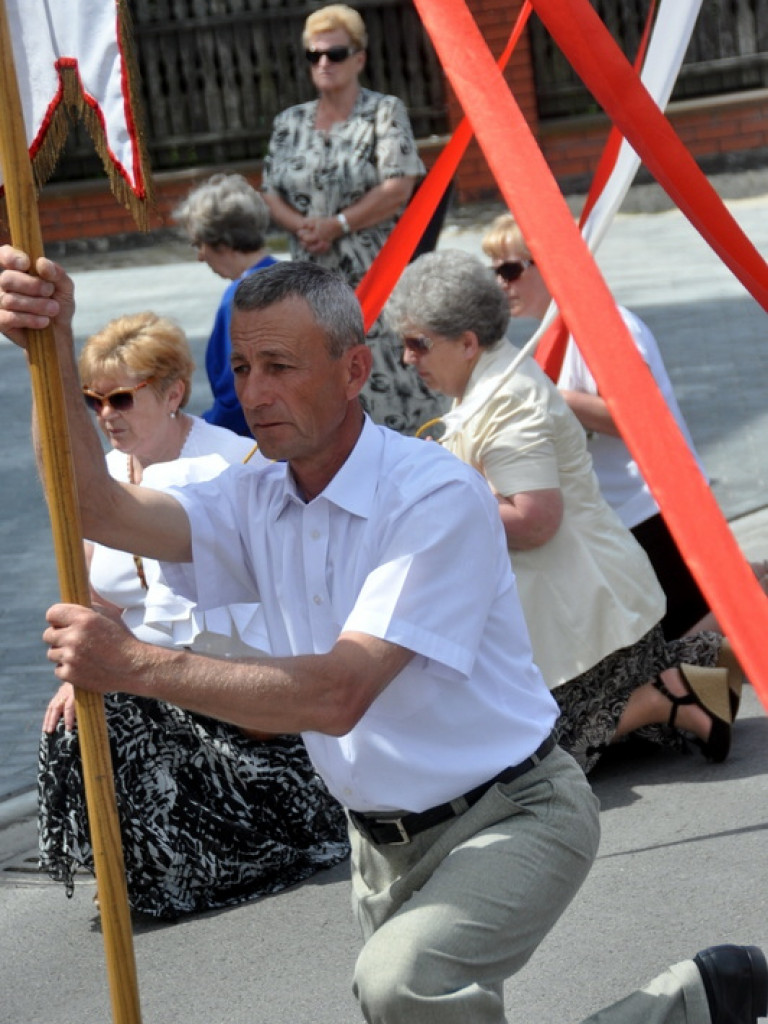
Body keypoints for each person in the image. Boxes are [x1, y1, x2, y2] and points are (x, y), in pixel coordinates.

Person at [1, 246, 764, 1024]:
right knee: (410, 1003)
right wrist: (50, 347)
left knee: (403, 986)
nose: (254, 393)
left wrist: (135, 665)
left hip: (513, 811)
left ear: (354, 370)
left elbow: (339, 693)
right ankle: (697, 1004)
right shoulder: (252, 496)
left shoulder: (433, 495)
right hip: (378, 844)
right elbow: (90, 504)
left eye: (279, 366)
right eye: (242, 368)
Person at [38, 311, 349, 919]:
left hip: (243, 680)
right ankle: (142, 863)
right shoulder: (104, 476)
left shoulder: (236, 463)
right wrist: (79, 670)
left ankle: (209, 857)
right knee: (70, 714)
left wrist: (123, 667)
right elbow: (99, 601)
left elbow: (272, 609)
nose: (106, 415)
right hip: (155, 666)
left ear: (172, 393)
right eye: (93, 401)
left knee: (122, 705)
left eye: (122, 398)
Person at [388, 250, 740, 773]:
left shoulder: (506, 400)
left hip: (584, 616)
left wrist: (438, 493)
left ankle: (670, 692)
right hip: (583, 610)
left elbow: (534, 520)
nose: (406, 358)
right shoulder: (486, 382)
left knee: (531, 760)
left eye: (418, 343)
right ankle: (698, 664)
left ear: (466, 342)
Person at [481, 212, 722, 640]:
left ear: (548, 263)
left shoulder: (606, 325)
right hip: (621, 516)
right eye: (494, 271)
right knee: (675, 640)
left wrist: (547, 395)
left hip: (656, 505)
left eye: (511, 270)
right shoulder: (554, 338)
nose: (501, 283)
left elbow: (638, 416)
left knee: (690, 639)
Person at [261, 2, 447, 434]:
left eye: (335, 53)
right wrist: (301, 226)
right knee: (329, 375)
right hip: (312, 280)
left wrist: (338, 224)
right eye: (314, 55)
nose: (324, 63)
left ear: (359, 58)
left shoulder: (384, 112)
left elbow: (398, 186)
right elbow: (269, 191)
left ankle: (422, 454)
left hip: (376, 273)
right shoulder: (289, 122)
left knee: (393, 374)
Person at [172, 172, 278, 436]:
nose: (200, 256)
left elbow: (238, 393)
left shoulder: (240, 299)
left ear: (221, 241)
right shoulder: (292, 277)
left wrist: (198, 431)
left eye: (199, 243)